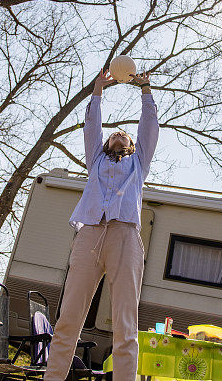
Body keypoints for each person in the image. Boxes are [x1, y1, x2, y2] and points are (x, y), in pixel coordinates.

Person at [43, 68, 159, 381]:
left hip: (125, 237)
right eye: (114, 133)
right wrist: (98, 90)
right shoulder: (95, 159)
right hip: (90, 234)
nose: (119, 133)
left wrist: (145, 88)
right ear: (106, 143)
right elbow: (92, 126)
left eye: (125, 134)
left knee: (125, 323)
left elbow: (149, 126)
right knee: (69, 317)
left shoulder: (138, 163)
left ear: (133, 146)